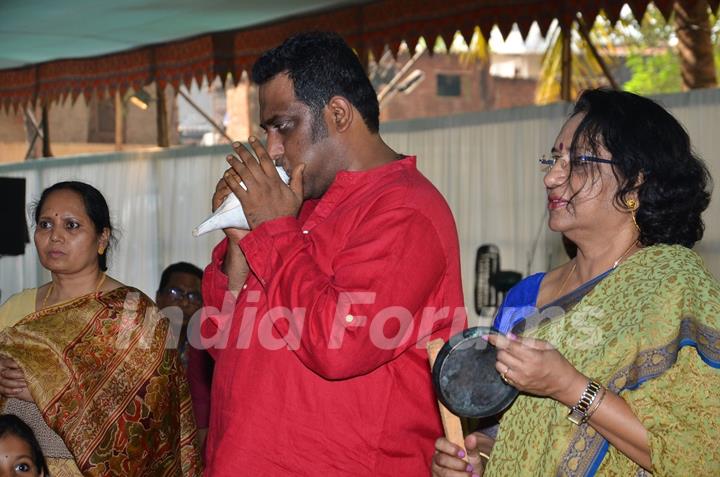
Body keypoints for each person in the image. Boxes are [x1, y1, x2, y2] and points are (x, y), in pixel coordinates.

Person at [201, 31, 465, 475]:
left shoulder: (406, 209)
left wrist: (273, 229)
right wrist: (240, 244)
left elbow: (339, 346)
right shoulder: (294, 208)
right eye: (267, 131)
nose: (273, 149)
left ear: (338, 113)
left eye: (282, 125)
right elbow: (219, 342)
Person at [432, 88, 719, 477]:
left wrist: (570, 386)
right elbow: (513, 428)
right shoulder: (524, 296)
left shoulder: (673, 285)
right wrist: (480, 455)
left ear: (635, 182)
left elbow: (698, 452)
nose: (552, 177)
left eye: (578, 162)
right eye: (553, 159)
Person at [0, 181, 202, 476]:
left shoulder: (134, 314)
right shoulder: (15, 308)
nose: (55, 236)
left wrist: (47, 389)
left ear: (102, 237)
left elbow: (149, 417)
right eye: (45, 224)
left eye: (71, 226)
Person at [156, 262, 213, 461]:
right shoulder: (137, 342)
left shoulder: (208, 352)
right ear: (158, 297)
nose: (184, 302)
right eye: (175, 292)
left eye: (194, 296)